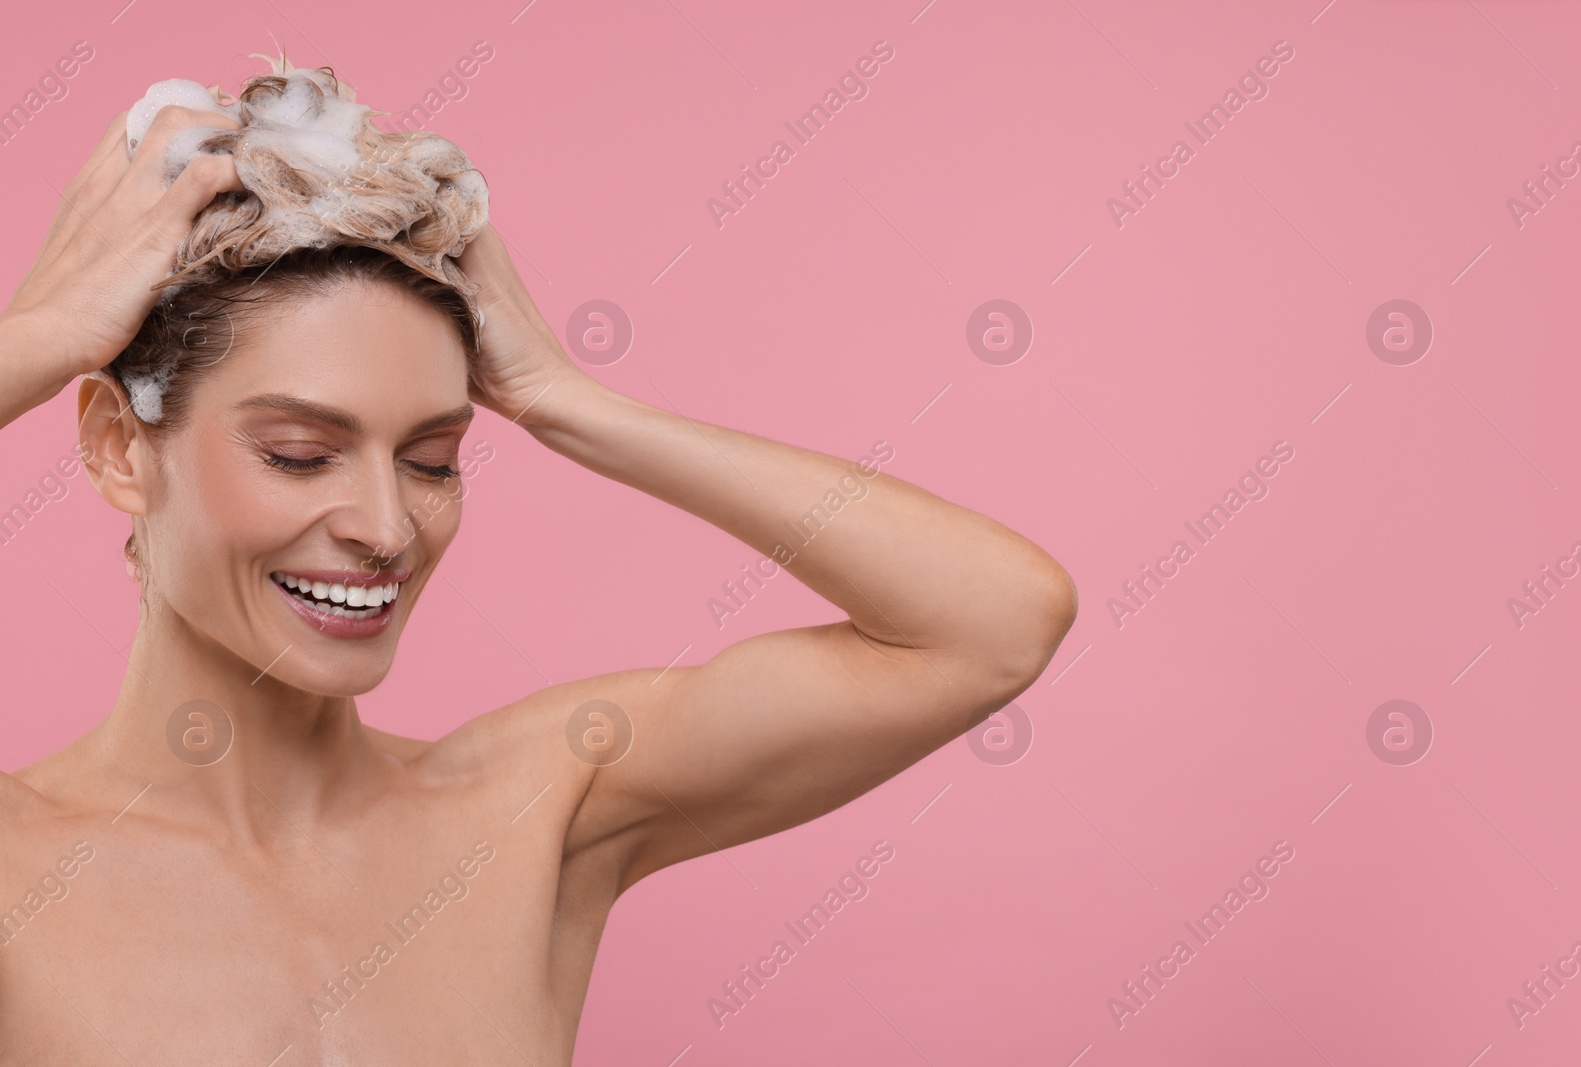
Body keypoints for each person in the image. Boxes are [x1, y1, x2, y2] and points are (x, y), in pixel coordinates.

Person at [0, 61, 1077, 1064]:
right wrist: (40, 338)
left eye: (431, 458)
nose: (385, 524)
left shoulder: (532, 813)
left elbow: (991, 620)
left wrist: (569, 402)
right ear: (114, 446)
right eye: (300, 453)